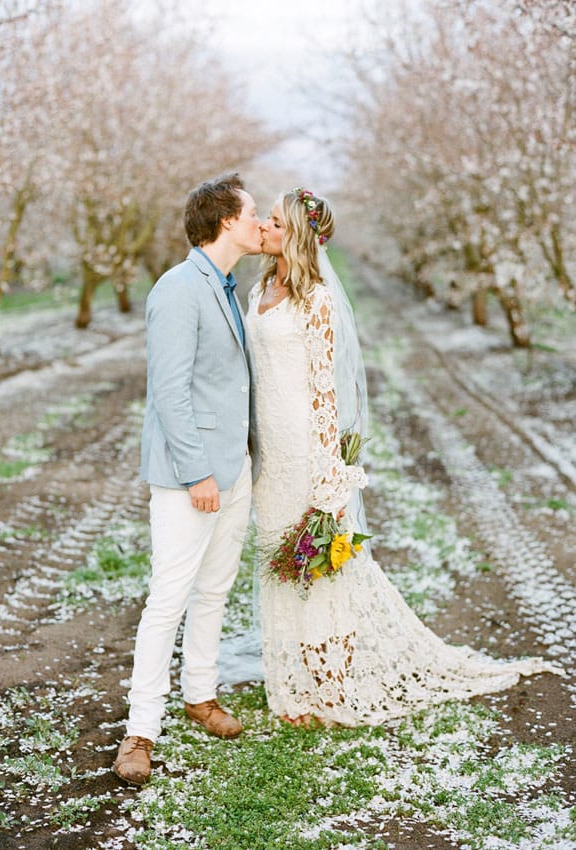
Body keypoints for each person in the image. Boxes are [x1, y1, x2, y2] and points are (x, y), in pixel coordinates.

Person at [245, 187, 563, 728]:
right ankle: (295, 681)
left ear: (295, 233)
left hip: (305, 449)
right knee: (280, 562)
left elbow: (327, 392)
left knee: (325, 570)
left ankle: (333, 688)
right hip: (269, 452)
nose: (264, 229)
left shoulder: (316, 299)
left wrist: (330, 475)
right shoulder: (257, 291)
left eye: (274, 222)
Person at [113, 173, 262, 785]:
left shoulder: (228, 286)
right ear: (226, 220)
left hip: (237, 467)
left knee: (214, 591)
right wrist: (198, 471)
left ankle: (200, 694)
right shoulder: (178, 288)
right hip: (191, 477)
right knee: (168, 599)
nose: (259, 222)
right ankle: (140, 730)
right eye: (252, 212)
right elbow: (168, 391)